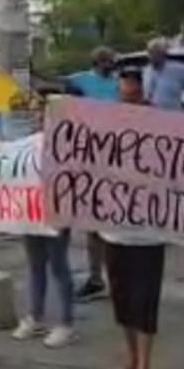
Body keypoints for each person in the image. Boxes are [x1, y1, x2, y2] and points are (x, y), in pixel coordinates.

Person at [104, 68, 167, 369]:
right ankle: (130, 361)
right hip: (113, 233)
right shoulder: (107, 127)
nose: (128, 101)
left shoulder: (164, 128)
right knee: (123, 302)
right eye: (123, 96)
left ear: (143, 95)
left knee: (145, 302)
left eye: (133, 96)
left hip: (149, 234)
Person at [11, 95, 75, 348]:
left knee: (59, 267)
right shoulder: (25, 141)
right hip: (30, 211)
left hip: (57, 212)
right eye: (34, 111)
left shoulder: (67, 142)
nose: (36, 115)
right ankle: (35, 317)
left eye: (41, 110)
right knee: (35, 265)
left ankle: (66, 323)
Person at [64, 47, 119, 301]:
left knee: (113, 225)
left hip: (116, 158)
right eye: (108, 61)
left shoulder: (119, 85)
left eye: (113, 61)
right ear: (97, 62)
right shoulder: (80, 81)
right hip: (88, 158)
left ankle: (116, 278)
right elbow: (62, 100)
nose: (112, 64)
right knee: (92, 224)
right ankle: (96, 278)